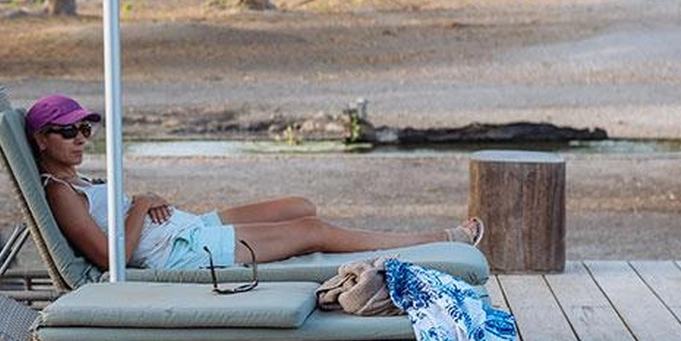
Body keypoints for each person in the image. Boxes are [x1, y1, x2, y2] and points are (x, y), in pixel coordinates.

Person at [25, 93, 484, 273]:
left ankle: (357, 244)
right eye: (68, 131)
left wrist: (148, 204)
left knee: (299, 205)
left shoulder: (76, 179)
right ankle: (437, 240)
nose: (80, 138)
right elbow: (111, 262)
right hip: (181, 252)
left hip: (186, 228)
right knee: (313, 231)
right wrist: (142, 204)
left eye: (85, 129)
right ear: (42, 140)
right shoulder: (60, 193)